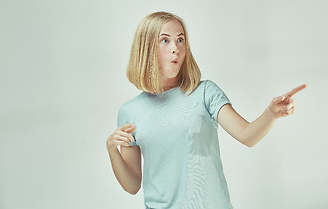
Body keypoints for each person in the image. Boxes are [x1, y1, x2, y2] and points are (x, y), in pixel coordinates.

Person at [106, 11, 306, 209]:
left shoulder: (204, 93)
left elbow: (247, 135)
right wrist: (112, 150)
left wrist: (270, 114)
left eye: (180, 40)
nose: (175, 48)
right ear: (146, 47)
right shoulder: (130, 111)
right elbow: (132, 185)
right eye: (165, 40)